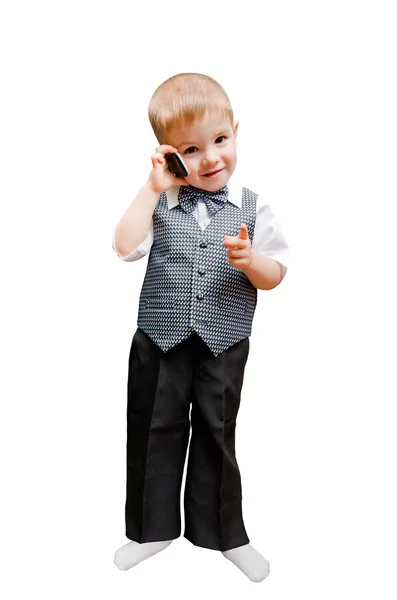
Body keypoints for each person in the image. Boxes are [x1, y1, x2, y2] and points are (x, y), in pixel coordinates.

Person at [112, 73, 289, 582]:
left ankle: (222, 534)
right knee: (153, 429)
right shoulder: (160, 204)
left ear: (235, 131)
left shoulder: (254, 208)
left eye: (220, 140)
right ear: (167, 154)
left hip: (224, 342)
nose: (211, 158)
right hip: (160, 340)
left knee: (217, 432)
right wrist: (150, 188)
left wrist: (251, 261)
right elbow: (124, 246)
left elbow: (276, 275)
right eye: (191, 149)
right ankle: (151, 530)